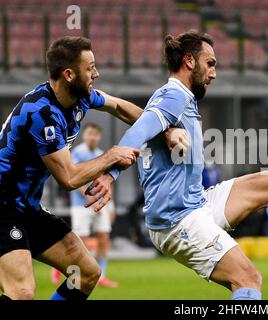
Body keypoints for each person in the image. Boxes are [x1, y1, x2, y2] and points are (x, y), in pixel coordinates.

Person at [87, 31, 268, 299]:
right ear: (189, 61)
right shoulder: (173, 95)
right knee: (248, 279)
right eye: (210, 64)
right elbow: (138, 132)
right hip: (177, 220)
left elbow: (139, 119)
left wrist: (165, 133)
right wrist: (110, 172)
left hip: (197, 205)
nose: (214, 73)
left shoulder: (178, 97)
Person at [0, 36, 186, 300]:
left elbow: (120, 108)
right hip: (3, 209)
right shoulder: (40, 113)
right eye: (90, 68)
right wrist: (111, 156)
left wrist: (165, 130)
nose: (96, 73)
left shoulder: (82, 98)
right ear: (68, 74)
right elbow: (68, 177)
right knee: (21, 293)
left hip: (28, 208)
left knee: (85, 273)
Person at [51, 123, 118, 288]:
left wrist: (111, 206)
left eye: (95, 134)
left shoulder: (100, 154)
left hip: (101, 204)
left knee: (104, 239)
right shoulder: (77, 153)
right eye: (90, 134)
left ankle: (101, 276)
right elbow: (73, 179)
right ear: (84, 135)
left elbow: (108, 180)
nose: (93, 137)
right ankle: (62, 267)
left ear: (99, 137)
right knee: (81, 242)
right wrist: (90, 195)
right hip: (82, 206)